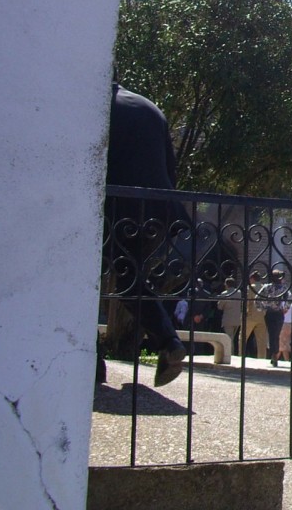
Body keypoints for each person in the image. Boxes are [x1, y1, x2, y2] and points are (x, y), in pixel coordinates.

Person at [103, 83, 190, 387]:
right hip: (158, 208)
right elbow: (170, 165)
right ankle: (169, 341)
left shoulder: (99, 105)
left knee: (83, 280)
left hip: (116, 207)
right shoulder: (147, 105)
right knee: (130, 280)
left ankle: (89, 360)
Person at [262, 271, 289, 367]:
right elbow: (289, 299)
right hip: (278, 313)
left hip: (269, 313)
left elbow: (258, 298)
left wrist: (263, 308)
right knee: (276, 334)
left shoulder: (266, 287)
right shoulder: (284, 288)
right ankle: (274, 354)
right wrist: (285, 308)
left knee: (271, 333)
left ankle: (274, 354)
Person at [217, 277, 242, 351]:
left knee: (229, 338)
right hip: (237, 319)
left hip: (228, 319)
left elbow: (220, 307)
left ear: (226, 284)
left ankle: (229, 354)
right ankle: (233, 353)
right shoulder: (239, 292)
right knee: (233, 338)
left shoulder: (225, 294)